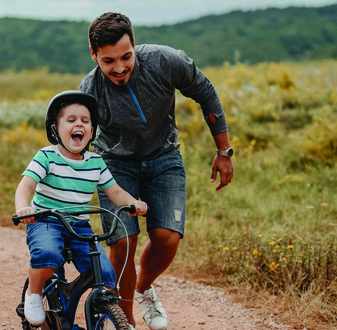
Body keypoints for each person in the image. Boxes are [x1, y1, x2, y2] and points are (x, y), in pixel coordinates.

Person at [79, 12, 235, 330]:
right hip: (114, 163)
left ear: (135, 45)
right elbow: (77, 144)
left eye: (126, 56)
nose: (120, 68)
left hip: (164, 156)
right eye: (108, 61)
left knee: (167, 238)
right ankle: (127, 324)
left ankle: (144, 287)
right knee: (122, 242)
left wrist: (224, 152)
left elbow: (206, 93)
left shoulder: (165, 61)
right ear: (94, 55)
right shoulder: (90, 91)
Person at [14, 90, 149, 327]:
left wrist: (132, 202)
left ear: (91, 130)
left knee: (106, 277)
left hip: (79, 225)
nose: (79, 124)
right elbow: (26, 185)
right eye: (71, 120)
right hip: (46, 220)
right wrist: (24, 208)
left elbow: (115, 191)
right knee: (47, 256)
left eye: (85, 121)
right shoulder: (47, 157)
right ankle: (34, 294)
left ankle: (98, 314)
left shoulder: (95, 162)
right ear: (55, 128)